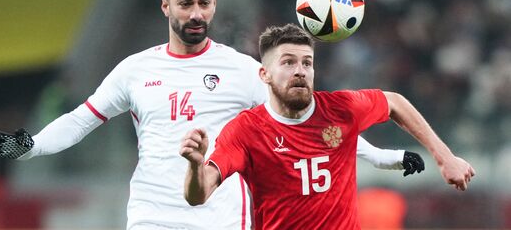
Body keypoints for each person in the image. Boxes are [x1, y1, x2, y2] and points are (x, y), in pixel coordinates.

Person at [0, 0, 423, 230]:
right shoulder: (136, 70)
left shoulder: (244, 70)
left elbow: (314, 126)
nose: (197, 14)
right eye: (186, 4)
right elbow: (81, 120)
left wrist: (385, 157)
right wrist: (29, 145)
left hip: (218, 218)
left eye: (205, 3)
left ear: (214, 3)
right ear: (165, 6)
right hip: (151, 217)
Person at [180, 23, 476, 230]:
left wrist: (445, 157)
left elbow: (394, 102)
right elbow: (198, 194)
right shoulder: (247, 130)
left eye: (307, 63)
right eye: (288, 62)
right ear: (265, 74)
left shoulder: (340, 109)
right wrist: (195, 165)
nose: (300, 71)